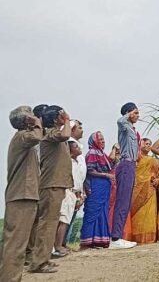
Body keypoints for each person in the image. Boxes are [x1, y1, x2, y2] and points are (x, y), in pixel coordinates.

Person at [0, 106, 44, 280]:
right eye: (31, 116)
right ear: (26, 121)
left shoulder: (22, 139)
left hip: (24, 195)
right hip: (21, 195)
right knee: (16, 244)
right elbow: (37, 137)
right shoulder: (22, 137)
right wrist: (37, 124)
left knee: (16, 242)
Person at [29, 106, 73, 274]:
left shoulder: (52, 133)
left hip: (56, 184)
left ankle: (42, 259)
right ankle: (39, 262)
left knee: (50, 223)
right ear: (56, 119)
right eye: (61, 114)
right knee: (47, 224)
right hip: (51, 185)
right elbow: (66, 135)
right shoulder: (51, 133)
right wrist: (67, 120)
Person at [110, 103, 140, 249]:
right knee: (122, 201)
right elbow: (120, 121)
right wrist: (129, 115)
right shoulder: (124, 125)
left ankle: (118, 236)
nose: (138, 116)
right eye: (136, 112)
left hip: (132, 165)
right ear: (128, 113)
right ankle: (115, 238)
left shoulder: (132, 130)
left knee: (126, 202)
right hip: (126, 164)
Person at [80, 132, 115, 248]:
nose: (103, 141)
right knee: (93, 212)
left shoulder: (102, 154)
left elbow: (111, 162)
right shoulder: (92, 153)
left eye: (103, 139)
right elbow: (90, 170)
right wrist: (106, 175)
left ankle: (100, 239)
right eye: (100, 139)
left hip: (103, 187)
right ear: (94, 141)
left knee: (103, 213)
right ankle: (88, 240)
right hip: (96, 186)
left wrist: (115, 149)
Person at [53, 140, 85, 257]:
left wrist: (80, 195)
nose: (79, 148)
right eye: (76, 146)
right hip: (68, 192)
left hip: (74, 193)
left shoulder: (76, 162)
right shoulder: (68, 163)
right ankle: (57, 246)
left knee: (66, 220)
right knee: (63, 220)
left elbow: (78, 180)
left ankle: (59, 244)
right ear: (71, 151)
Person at [130, 138, 159, 244]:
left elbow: (158, 174)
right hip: (138, 189)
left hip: (151, 190)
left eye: (149, 144)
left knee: (150, 214)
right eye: (145, 143)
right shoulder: (136, 157)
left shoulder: (154, 160)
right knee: (139, 213)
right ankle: (136, 238)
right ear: (140, 144)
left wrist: (158, 179)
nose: (148, 145)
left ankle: (149, 238)